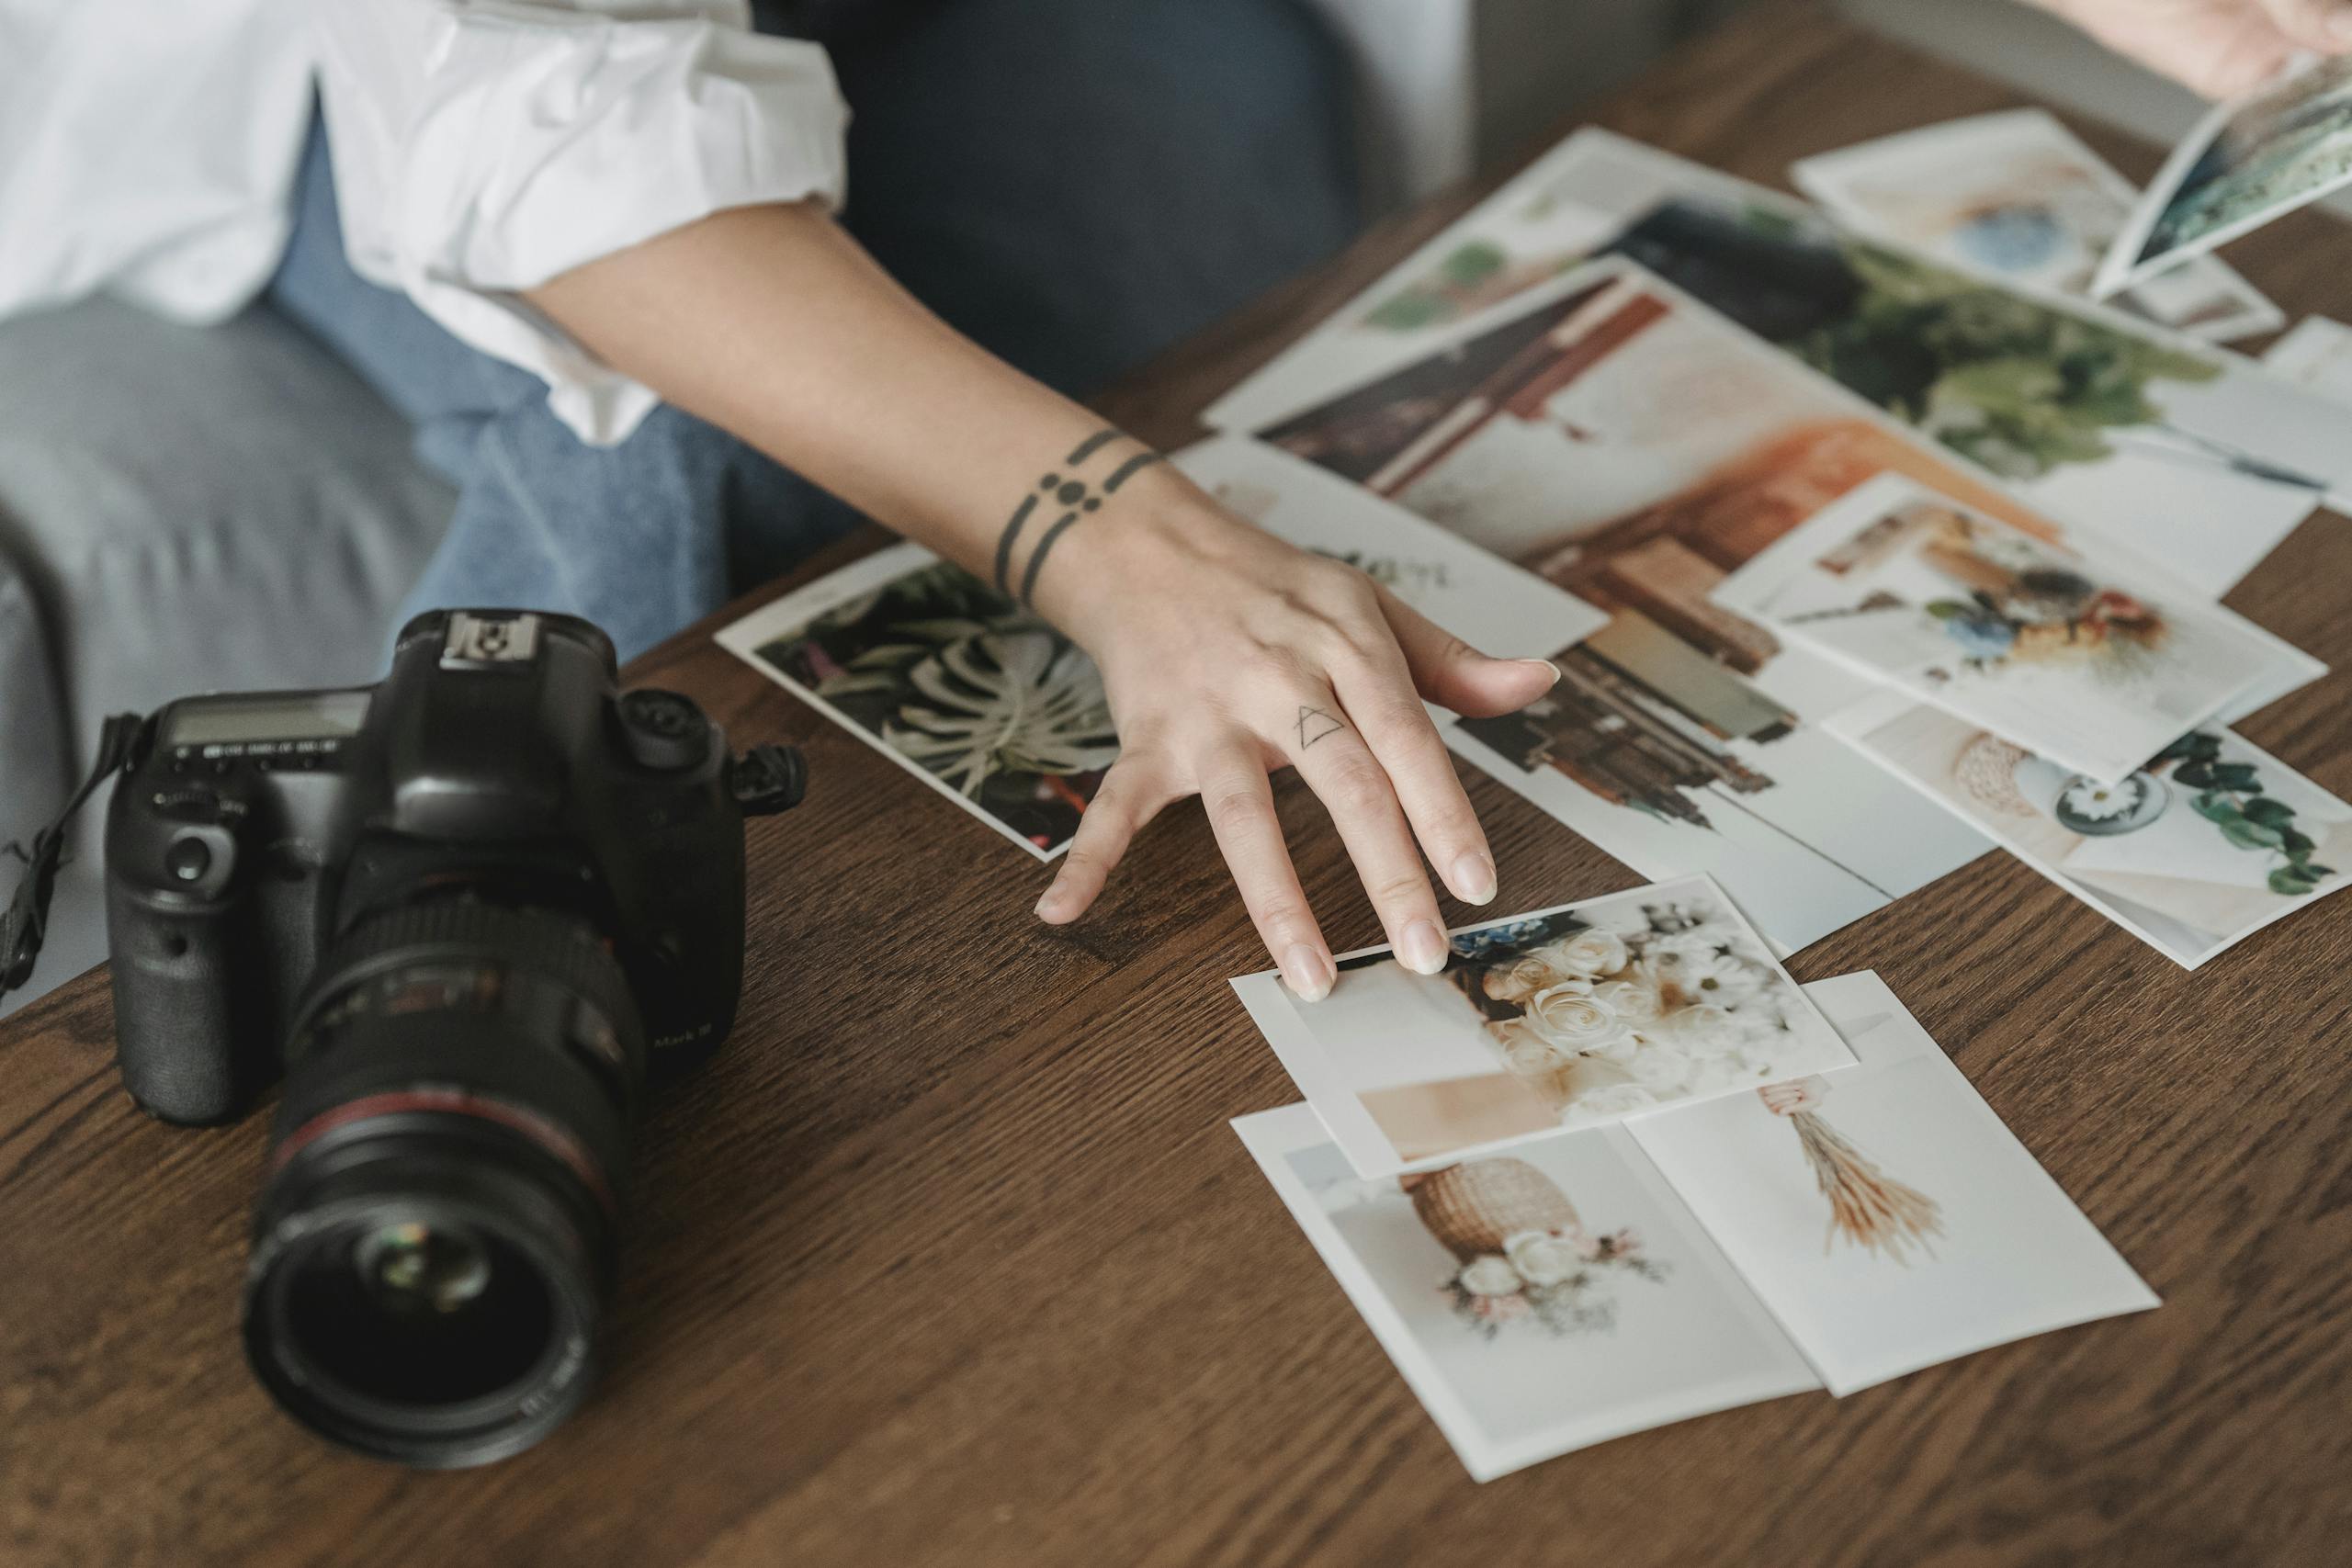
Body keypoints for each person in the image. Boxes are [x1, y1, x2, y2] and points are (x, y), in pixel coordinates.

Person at [4, 0, 2340, 1003]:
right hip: (327, 54)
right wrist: (1108, 528)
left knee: (1226, 172)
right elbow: (539, 121)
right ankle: (414, 1012)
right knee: (674, 450)